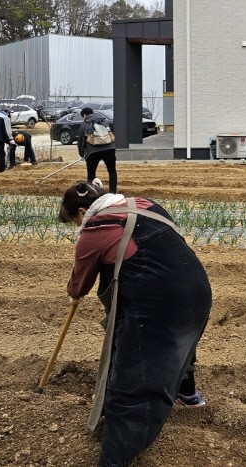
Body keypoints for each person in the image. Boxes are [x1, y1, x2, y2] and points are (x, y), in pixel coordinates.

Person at [59, 180, 212, 467]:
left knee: (131, 381)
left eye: (74, 221)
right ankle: (188, 395)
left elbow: (78, 286)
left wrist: (75, 287)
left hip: (160, 305)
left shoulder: (95, 230)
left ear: (82, 211)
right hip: (197, 290)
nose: (77, 227)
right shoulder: (146, 205)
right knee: (181, 342)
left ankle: (115, 458)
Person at [78, 107, 118, 194]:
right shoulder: (104, 121)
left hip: (93, 151)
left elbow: (81, 141)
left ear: (84, 115)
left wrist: (82, 154)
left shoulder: (84, 124)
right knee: (112, 171)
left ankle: (92, 194)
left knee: (91, 174)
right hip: (109, 149)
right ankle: (113, 193)